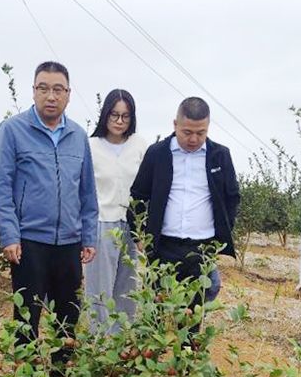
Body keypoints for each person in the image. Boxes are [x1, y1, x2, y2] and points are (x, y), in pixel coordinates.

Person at [0, 61, 98, 377]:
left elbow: (87, 191)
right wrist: (9, 235)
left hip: (69, 242)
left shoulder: (78, 136)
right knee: (28, 316)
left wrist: (89, 236)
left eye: (58, 89)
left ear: (68, 94)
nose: (50, 96)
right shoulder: (13, 130)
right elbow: (2, 187)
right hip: (29, 242)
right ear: (34, 91)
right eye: (43, 88)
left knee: (68, 316)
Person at [128, 97, 240, 337]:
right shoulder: (157, 153)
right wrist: (139, 235)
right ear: (175, 124)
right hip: (162, 246)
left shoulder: (220, 156)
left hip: (201, 248)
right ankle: (152, 355)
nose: (193, 139)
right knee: (155, 314)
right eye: (187, 132)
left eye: (201, 133)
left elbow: (232, 198)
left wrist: (222, 235)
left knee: (191, 319)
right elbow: (137, 195)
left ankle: (187, 358)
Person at [84, 89, 146, 332]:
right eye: (114, 115)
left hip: (131, 225)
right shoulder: (91, 146)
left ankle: (121, 342)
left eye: (125, 116)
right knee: (99, 290)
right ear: (105, 115)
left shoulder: (139, 145)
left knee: (127, 289)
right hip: (102, 223)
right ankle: (98, 340)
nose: (119, 121)